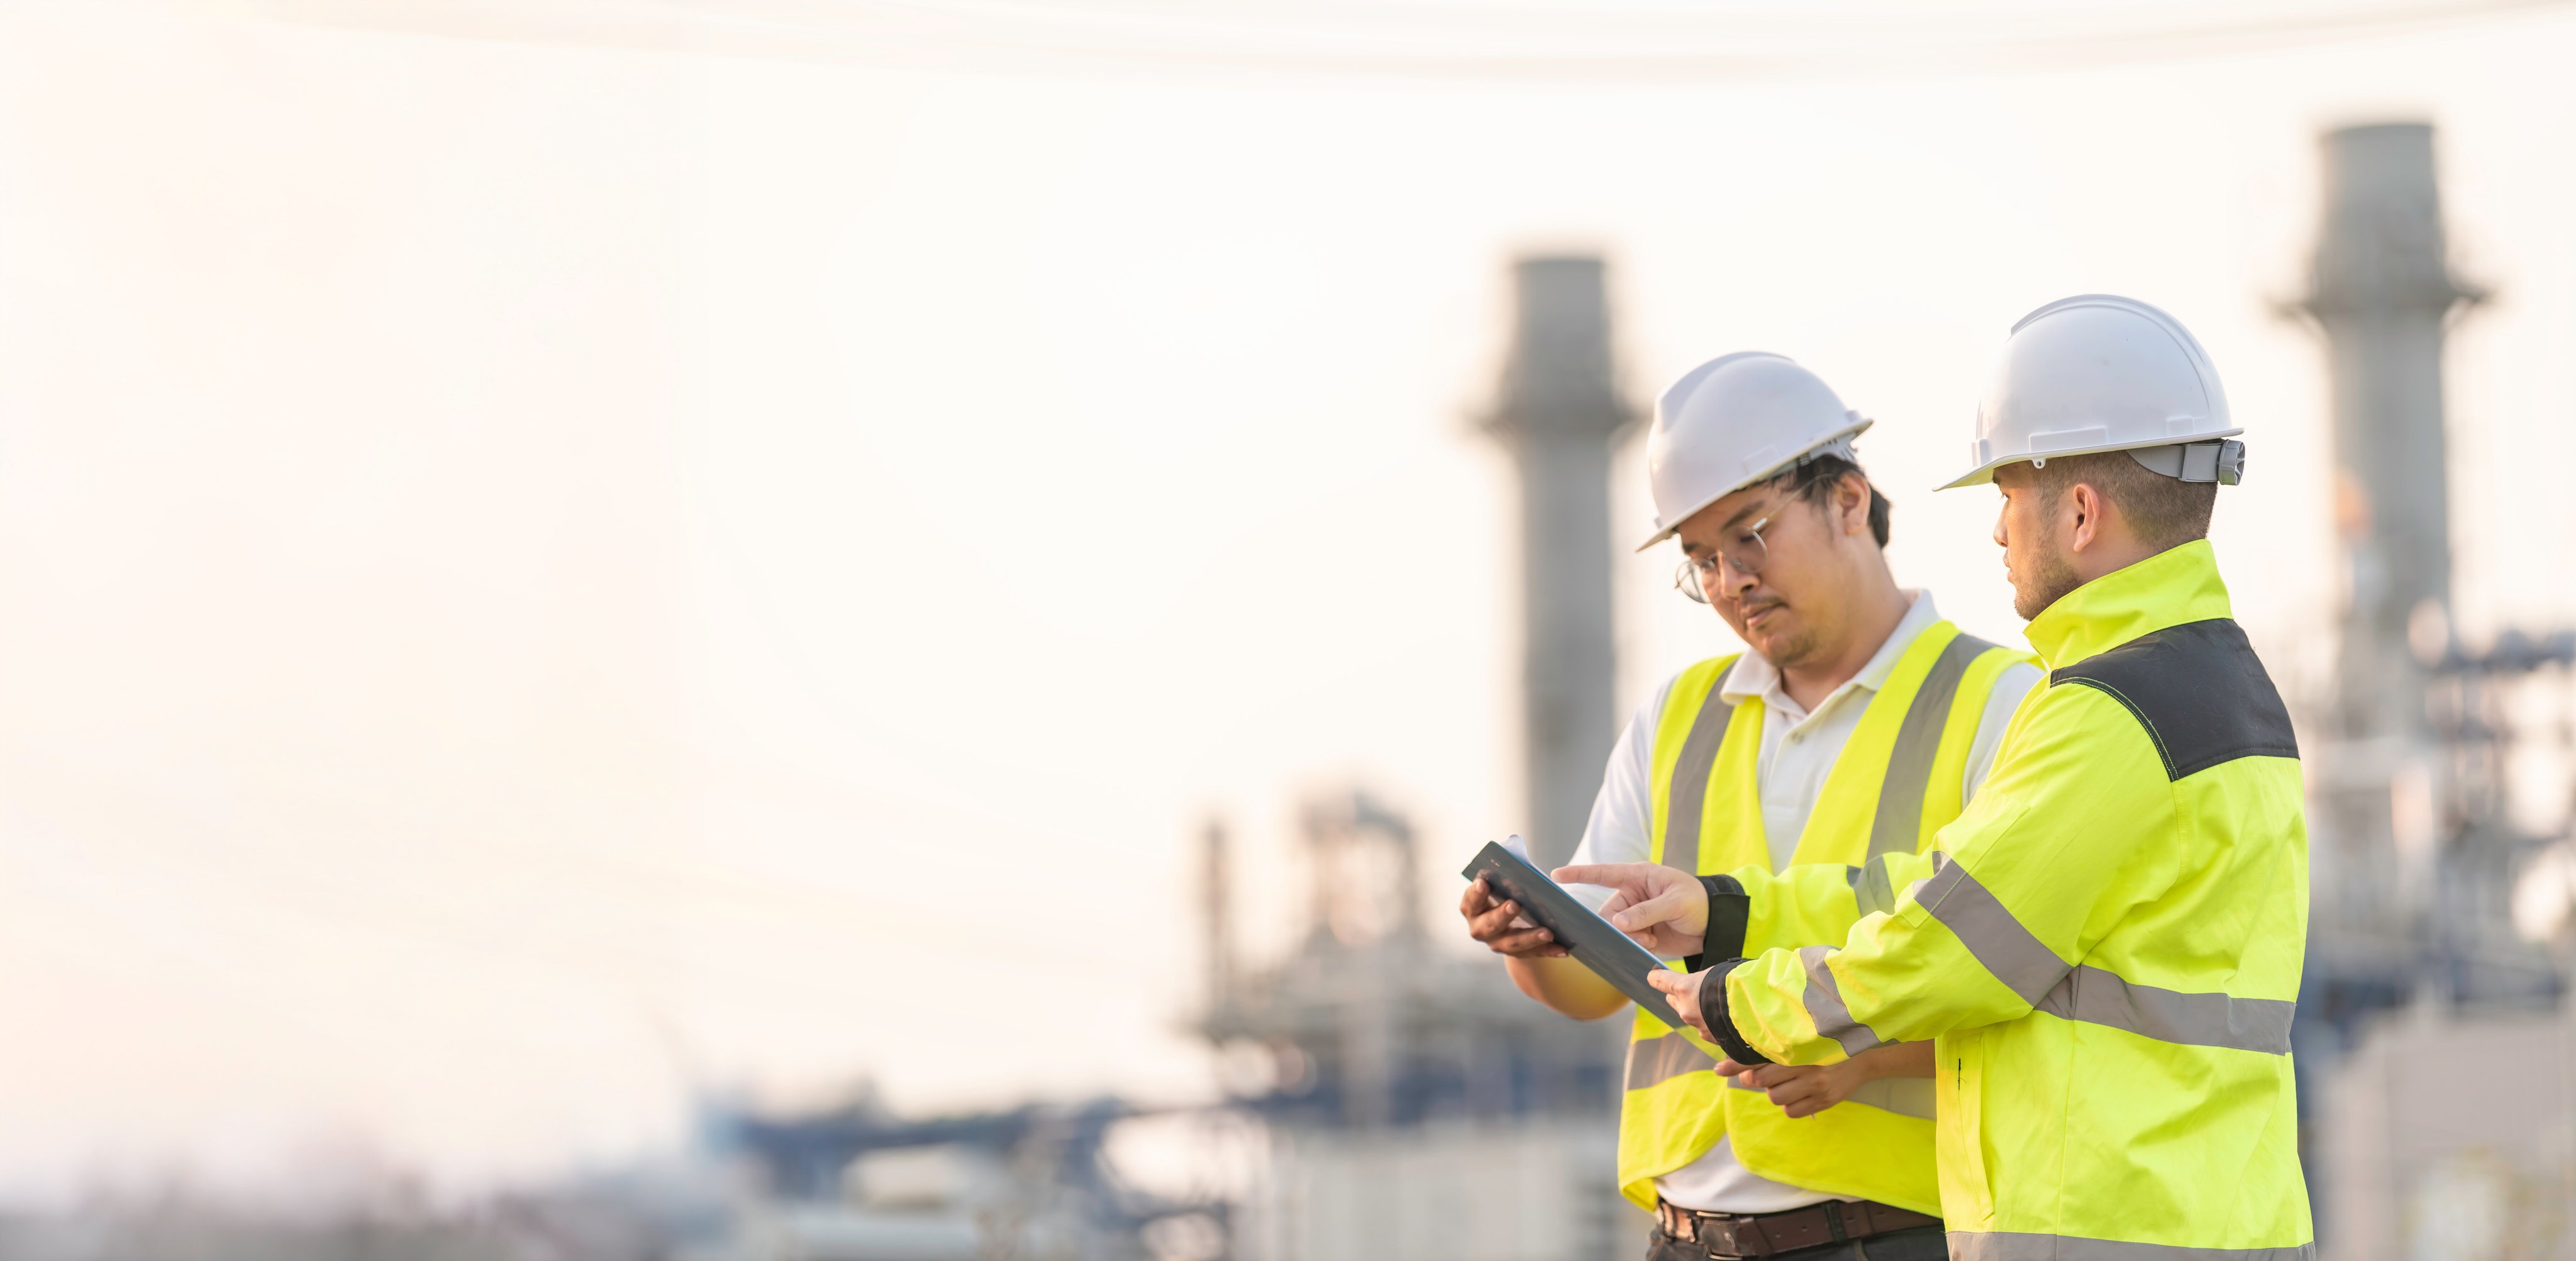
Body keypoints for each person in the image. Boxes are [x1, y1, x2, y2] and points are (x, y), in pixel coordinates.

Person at [1573, 295, 2311, 1261]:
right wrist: (1730, 910)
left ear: (2079, 511)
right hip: (2203, 1219)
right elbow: (1947, 886)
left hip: (2110, 1225)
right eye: (1702, 559)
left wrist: (1739, 1002)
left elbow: (1947, 942)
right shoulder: (2219, 689)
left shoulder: (2108, 712)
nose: (1998, 534)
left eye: (2007, 497)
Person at [1461, 352, 2041, 1261]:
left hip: (1889, 1231)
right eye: (1699, 560)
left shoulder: (1999, 702)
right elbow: (1594, 986)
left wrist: (1866, 1056)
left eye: (1751, 536)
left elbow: (2033, 989)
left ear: (1850, 500)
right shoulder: (1679, 717)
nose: (1729, 580)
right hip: (1683, 1235)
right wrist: (1530, 945)